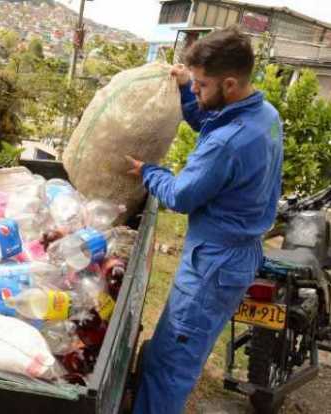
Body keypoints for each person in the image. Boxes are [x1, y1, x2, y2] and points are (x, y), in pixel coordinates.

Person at [127, 27, 284, 413]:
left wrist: (149, 172)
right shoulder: (263, 114)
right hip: (236, 256)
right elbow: (212, 121)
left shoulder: (228, 143)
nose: (194, 91)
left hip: (213, 265)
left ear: (229, 84)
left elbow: (181, 195)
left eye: (199, 84)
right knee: (182, 350)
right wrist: (184, 87)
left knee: (171, 363)